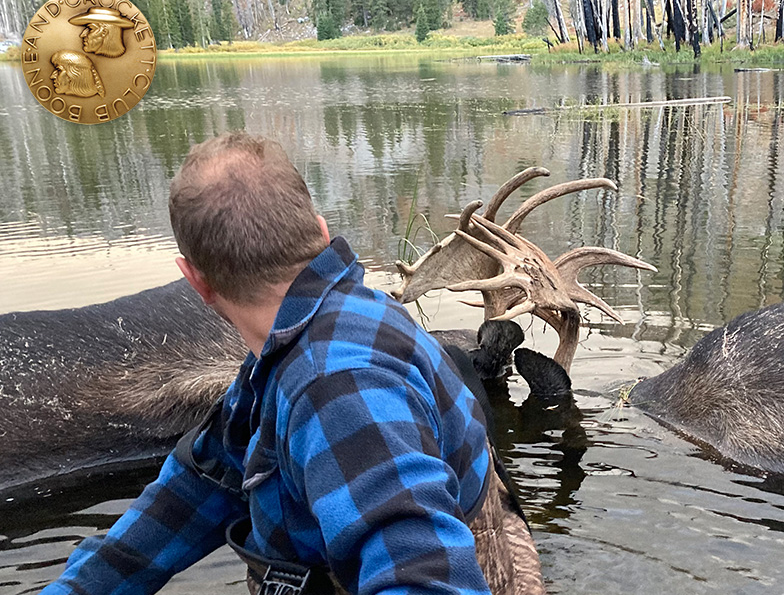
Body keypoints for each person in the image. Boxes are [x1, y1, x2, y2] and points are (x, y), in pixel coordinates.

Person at [41, 132, 495, 594]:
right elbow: (206, 482)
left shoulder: (336, 388)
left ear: (196, 281)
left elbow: (429, 580)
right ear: (321, 232)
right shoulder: (301, 338)